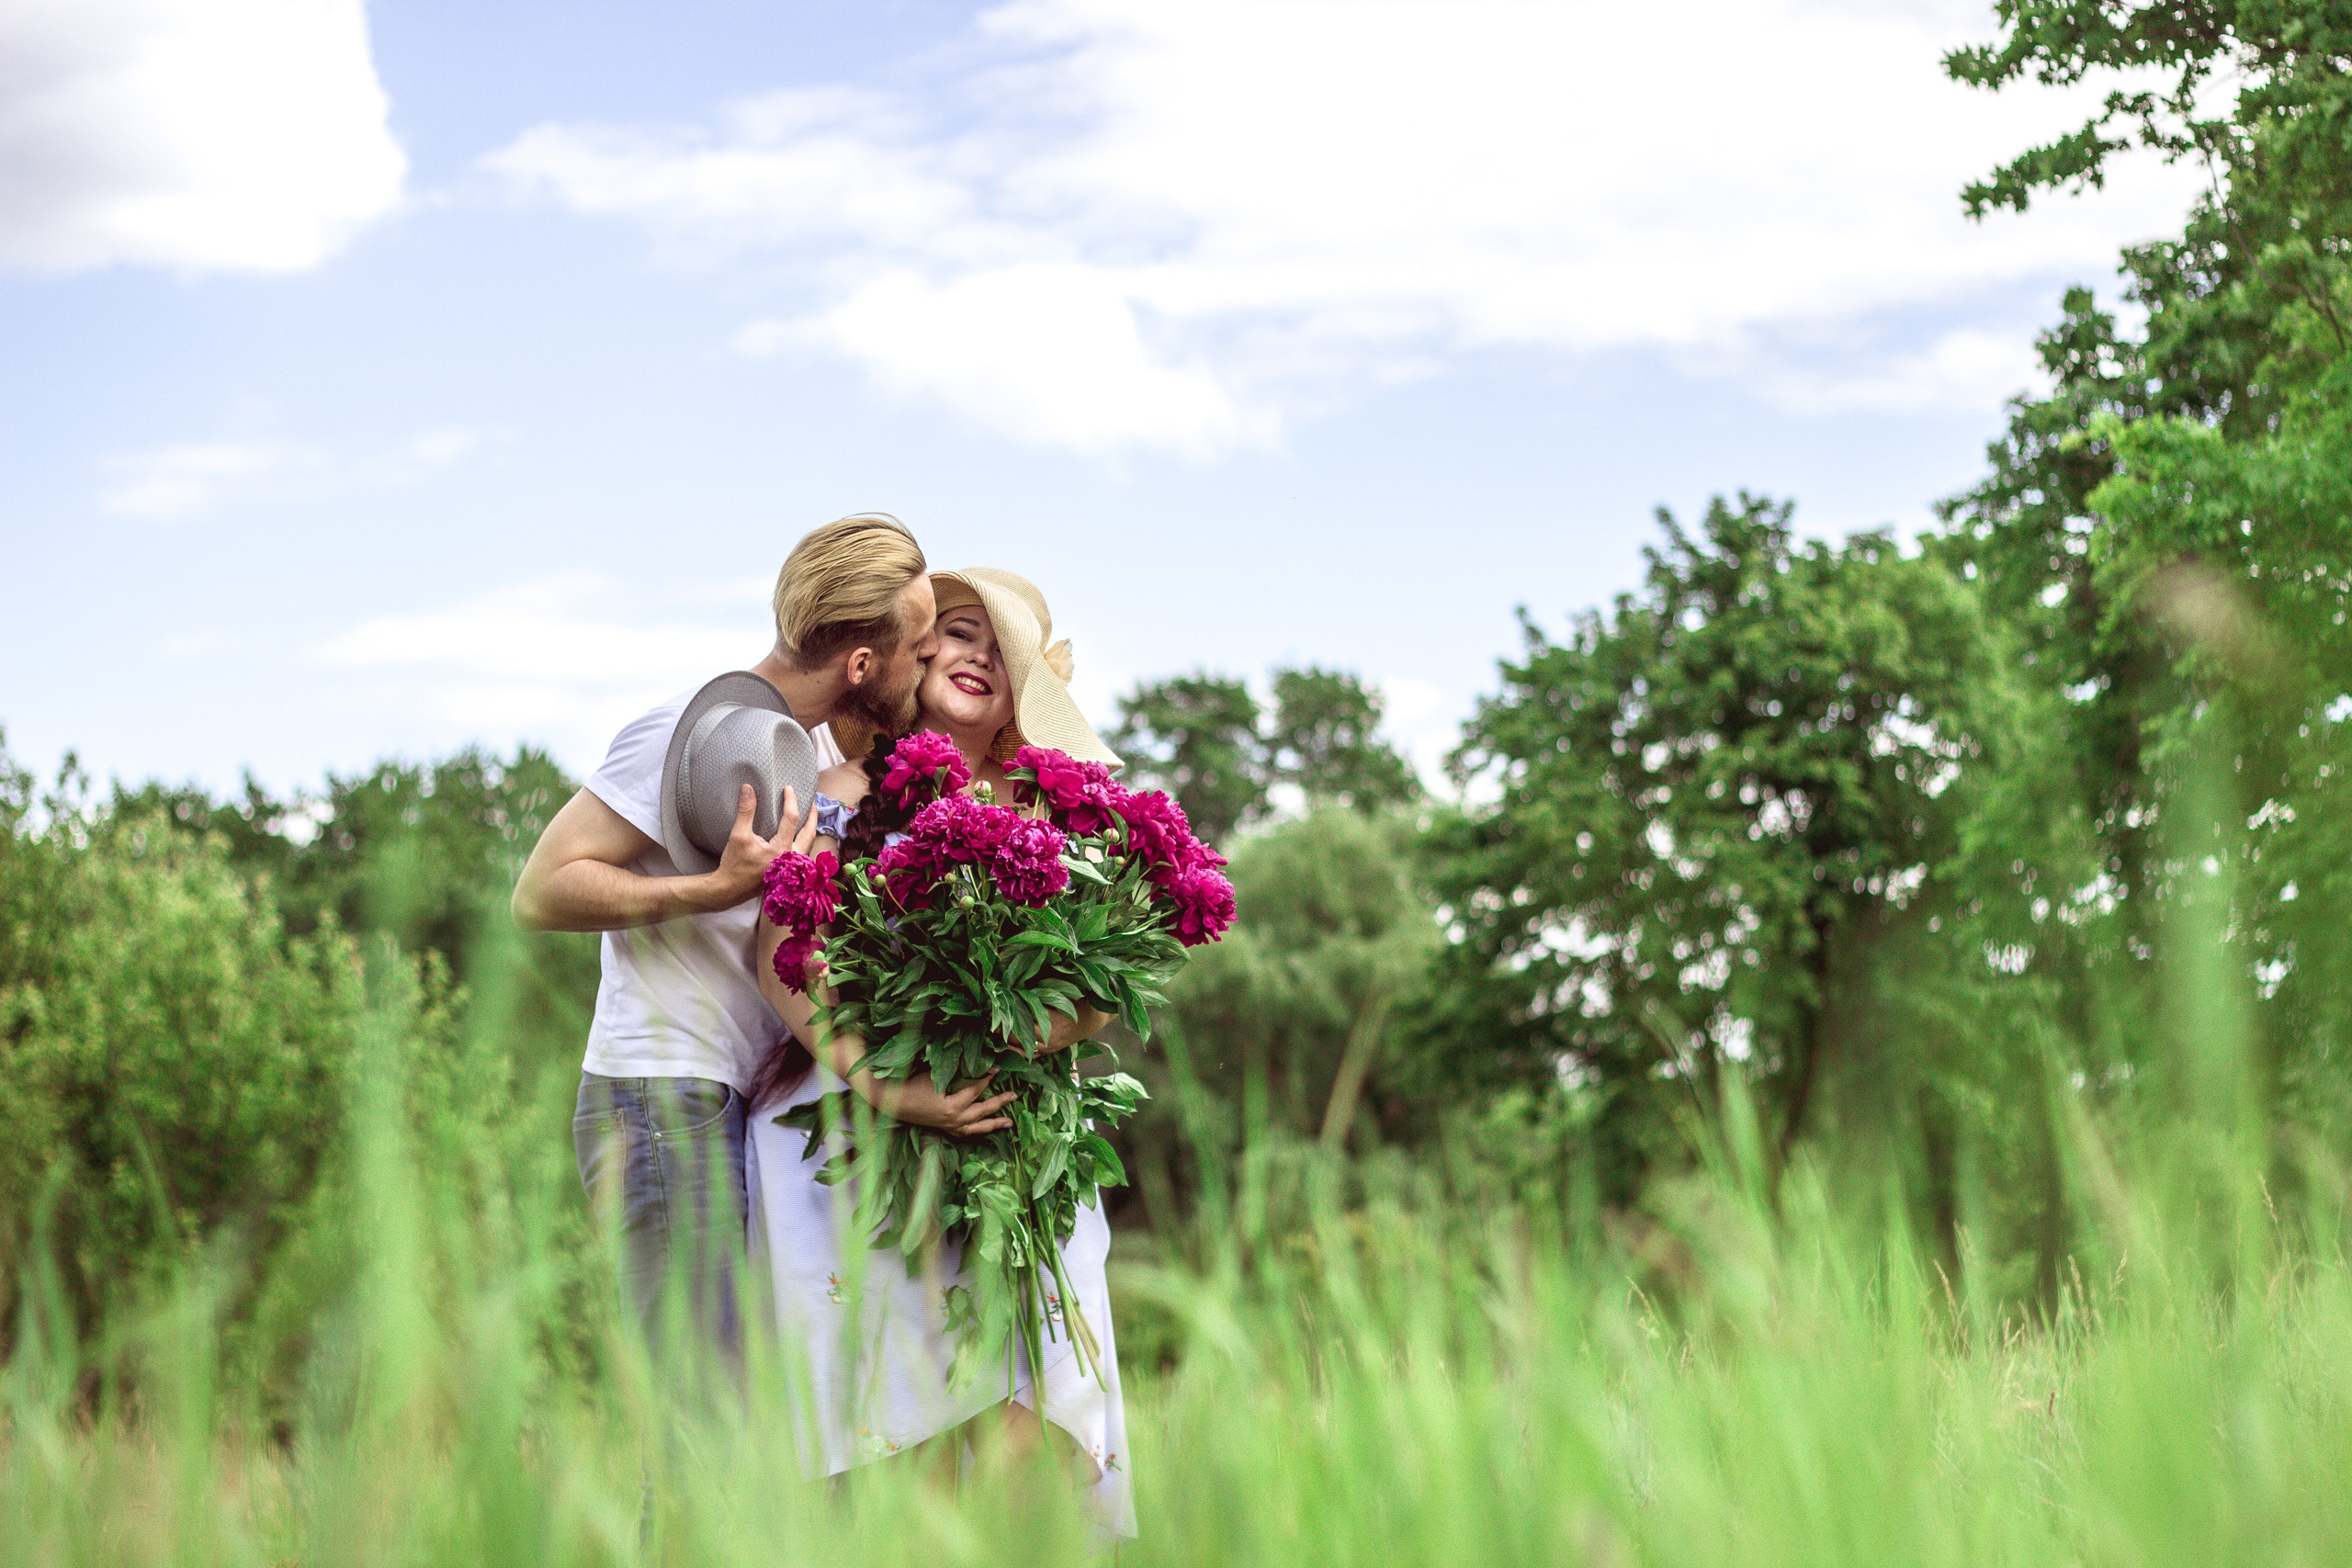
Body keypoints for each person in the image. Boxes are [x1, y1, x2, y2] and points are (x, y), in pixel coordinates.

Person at [744, 568, 1138, 1538]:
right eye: (957, 634)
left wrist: (1001, 1042)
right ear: (917, 653)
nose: (976, 660)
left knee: (1037, 1421)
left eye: (1001, 654)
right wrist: (893, 1086)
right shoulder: (833, 795)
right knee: (890, 1427)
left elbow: (1097, 989)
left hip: (1010, 1133)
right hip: (848, 1134)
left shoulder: (1061, 816)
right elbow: (782, 963)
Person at [511, 512, 942, 1360]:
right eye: (920, 647)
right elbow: (541, 890)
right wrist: (710, 888)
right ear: (862, 663)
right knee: (698, 1426)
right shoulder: (686, 734)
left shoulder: (811, 746)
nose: (926, 664)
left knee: (737, 1427)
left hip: (725, 1100)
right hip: (660, 1097)